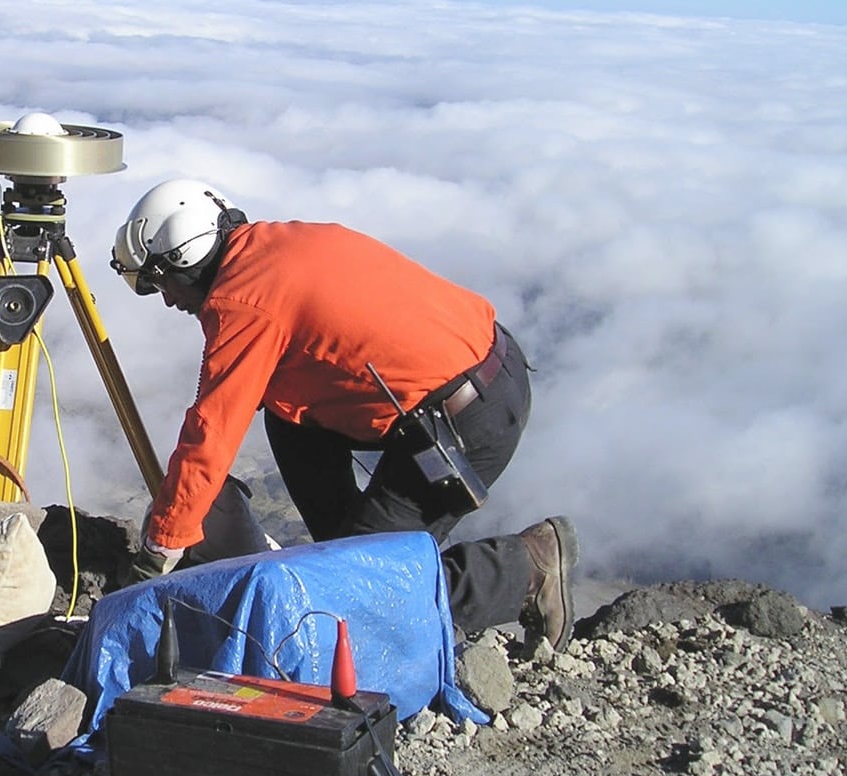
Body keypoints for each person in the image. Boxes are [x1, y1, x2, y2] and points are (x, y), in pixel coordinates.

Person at [109, 178, 577, 648]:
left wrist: (158, 551)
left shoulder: (243, 300)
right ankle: (350, 552)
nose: (168, 299)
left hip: (463, 422)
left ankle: (523, 570)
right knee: (286, 418)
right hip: (486, 373)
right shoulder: (276, 245)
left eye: (159, 282)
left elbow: (210, 433)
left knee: (352, 594)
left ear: (184, 258)